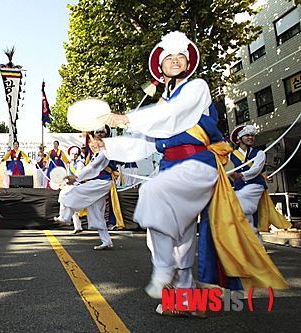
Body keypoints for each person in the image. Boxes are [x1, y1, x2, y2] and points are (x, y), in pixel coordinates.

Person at [94, 31, 288, 317]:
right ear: (160, 67)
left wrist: (127, 118)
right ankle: (186, 301)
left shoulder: (197, 87)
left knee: (152, 192)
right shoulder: (162, 105)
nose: (175, 60)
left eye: (180, 56)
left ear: (188, 63)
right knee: (180, 235)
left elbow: (177, 112)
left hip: (198, 165)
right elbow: (146, 142)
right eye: (168, 57)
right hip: (172, 167)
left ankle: (163, 270)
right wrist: (107, 144)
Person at [229, 125, 291, 244]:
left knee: (242, 207)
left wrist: (240, 175)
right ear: (239, 139)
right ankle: (257, 244)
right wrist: (232, 175)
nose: (251, 138)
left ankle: (252, 244)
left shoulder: (260, 153)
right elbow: (228, 169)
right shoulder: (231, 155)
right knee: (246, 216)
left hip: (255, 185)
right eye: (247, 135)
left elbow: (256, 169)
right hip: (239, 187)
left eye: (252, 136)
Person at [54, 142, 123, 249]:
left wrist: (76, 177)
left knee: (74, 192)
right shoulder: (94, 155)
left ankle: (66, 217)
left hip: (102, 182)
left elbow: (92, 167)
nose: (94, 145)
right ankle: (106, 241)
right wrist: (75, 179)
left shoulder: (104, 153)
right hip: (99, 182)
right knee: (96, 211)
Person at [54, 146, 85, 234]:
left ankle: (63, 217)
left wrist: (69, 183)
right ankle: (77, 227)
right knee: (73, 206)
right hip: (72, 185)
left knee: (63, 196)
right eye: (72, 154)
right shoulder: (70, 164)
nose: (74, 155)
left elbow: (79, 176)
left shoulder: (80, 164)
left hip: (77, 186)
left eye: (76, 154)